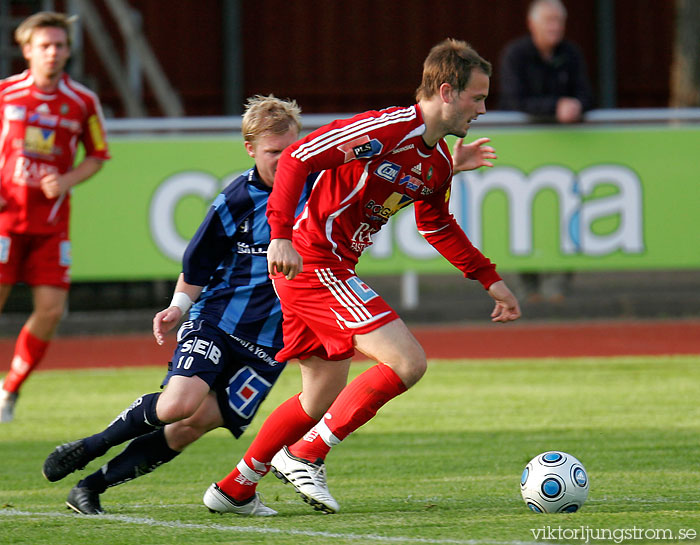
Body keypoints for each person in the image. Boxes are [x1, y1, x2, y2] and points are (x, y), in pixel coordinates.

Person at [202, 38, 521, 516]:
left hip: (326, 266)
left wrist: (489, 279)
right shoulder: (386, 127)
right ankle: (306, 454)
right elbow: (295, 159)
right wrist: (281, 234)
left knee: (316, 398)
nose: (482, 109)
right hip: (311, 260)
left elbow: (436, 224)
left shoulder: (435, 162)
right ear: (447, 91)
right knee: (407, 361)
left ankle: (234, 488)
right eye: (477, 98)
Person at [42, 95, 314, 516]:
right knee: (177, 405)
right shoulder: (236, 200)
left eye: (291, 150)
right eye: (273, 152)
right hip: (218, 321)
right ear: (250, 149)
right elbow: (199, 263)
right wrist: (178, 307)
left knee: (192, 426)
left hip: (270, 344)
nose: (284, 160)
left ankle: (90, 487)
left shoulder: (318, 188)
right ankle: (89, 446)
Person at [0, 12, 110, 422]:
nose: (54, 53)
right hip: (5, 219)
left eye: (60, 45)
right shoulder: (6, 93)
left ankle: (10, 389)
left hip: (50, 224)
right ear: (27, 50)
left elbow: (98, 155)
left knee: (50, 310)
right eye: (45, 45)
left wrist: (65, 180)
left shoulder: (81, 101)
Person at [498, 0, 593, 301]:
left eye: (559, 22)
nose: (554, 27)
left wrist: (577, 105)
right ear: (532, 24)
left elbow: (588, 94)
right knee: (523, 214)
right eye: (549, 20)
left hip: (565, 154)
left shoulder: (571, 54)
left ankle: (558, 284)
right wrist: (554, 108)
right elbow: (513, 100)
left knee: (565, 212)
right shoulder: (516, 55)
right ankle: (526, 285)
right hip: (524, 154)